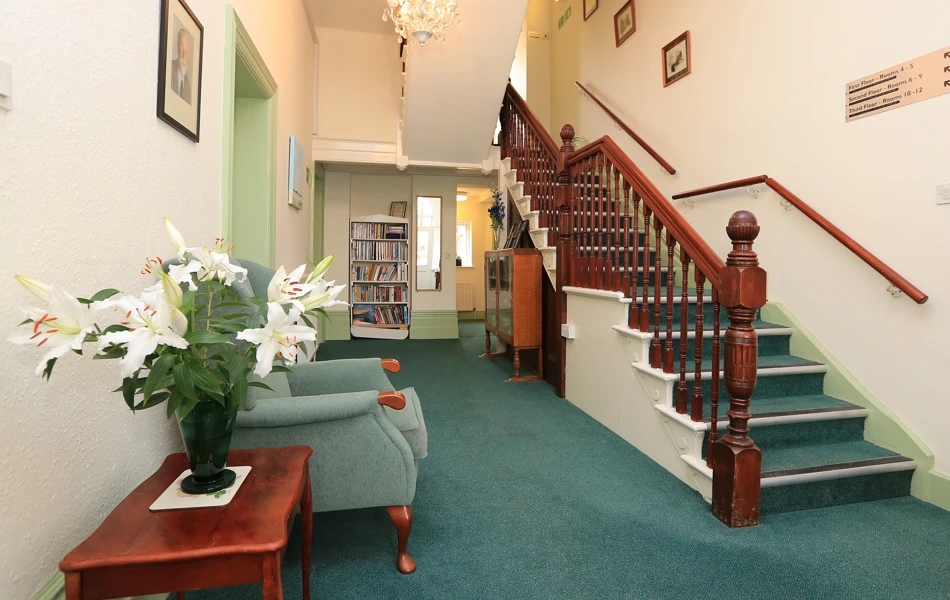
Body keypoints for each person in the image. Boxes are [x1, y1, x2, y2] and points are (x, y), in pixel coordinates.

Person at [170, 28, 192, 104]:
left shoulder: (187, 83)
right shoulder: (170, 69)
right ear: (177, 49)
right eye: (181, 49)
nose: (183, 55)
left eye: (185, 51)